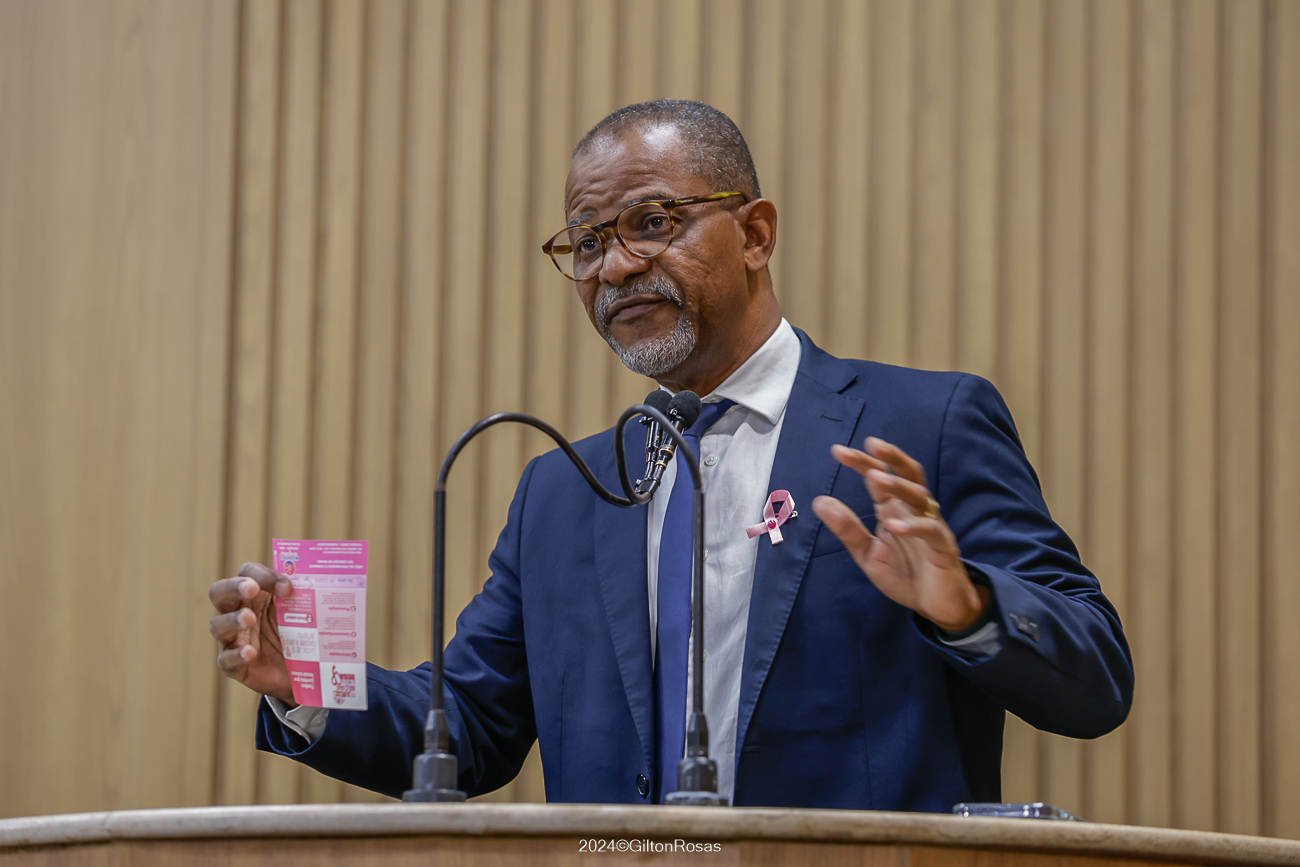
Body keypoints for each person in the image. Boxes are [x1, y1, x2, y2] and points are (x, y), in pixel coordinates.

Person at [208, 100, 1133, 811]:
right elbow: (471, 726)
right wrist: (304, 685)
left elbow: (1095, 678)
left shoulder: (922, 423)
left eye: (651, 222)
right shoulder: (563, 491)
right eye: (586, 242)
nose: (613, 267)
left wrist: (967, 605)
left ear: (756, 234)